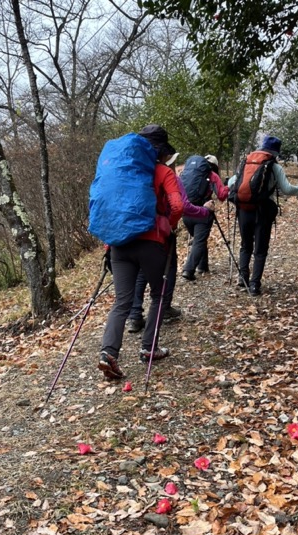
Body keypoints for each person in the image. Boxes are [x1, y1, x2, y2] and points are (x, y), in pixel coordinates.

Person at [98, 125, 183, 380]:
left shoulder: (123, 170)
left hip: (119, 244)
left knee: (122, 301)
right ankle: (149, 348)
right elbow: (177, 206)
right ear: (161, 151)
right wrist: (169, 225)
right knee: (158, 294)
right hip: (152, 242)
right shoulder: (162, 171)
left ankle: (108, 353)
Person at [126, 154, 215, 333]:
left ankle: (135, 316)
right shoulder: (170, 176)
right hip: (161, 233)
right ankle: (164, 308)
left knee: (142, 272)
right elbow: (182, 206)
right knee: (170, 268)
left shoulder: (138, 174)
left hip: (138, 230)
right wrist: (204, 211)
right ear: (169, 160)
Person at [229, 135, 298, 296]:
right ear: (276, 152)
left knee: (245, 245)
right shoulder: (273, 166)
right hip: (263, 211)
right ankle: (255, 285)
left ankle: (242, 278)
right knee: (260, 249)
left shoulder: (246, 162)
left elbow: (231, 184)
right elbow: (286, 189)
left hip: (243, 209)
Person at [181, 155, 229, 280]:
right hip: (203, 212)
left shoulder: (185, 173)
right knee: (199, 241)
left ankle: (203, 266)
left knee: (199, 239)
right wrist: (228, 186)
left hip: (187, 213)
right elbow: (222, 196)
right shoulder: (212, 175)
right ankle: (188, 270)